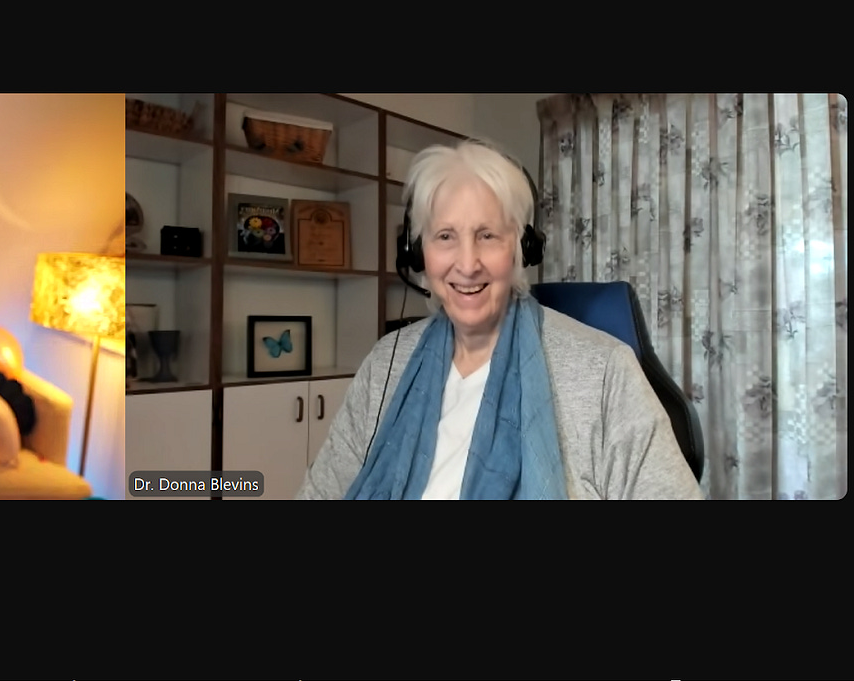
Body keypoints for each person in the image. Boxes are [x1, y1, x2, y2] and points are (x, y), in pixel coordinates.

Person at [297, 139, 704, 500]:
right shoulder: (385, 364)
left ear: (522, 249)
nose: (468, 263)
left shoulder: (604, 372)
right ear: (419, 253)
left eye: (488, 235)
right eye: (445, 236)